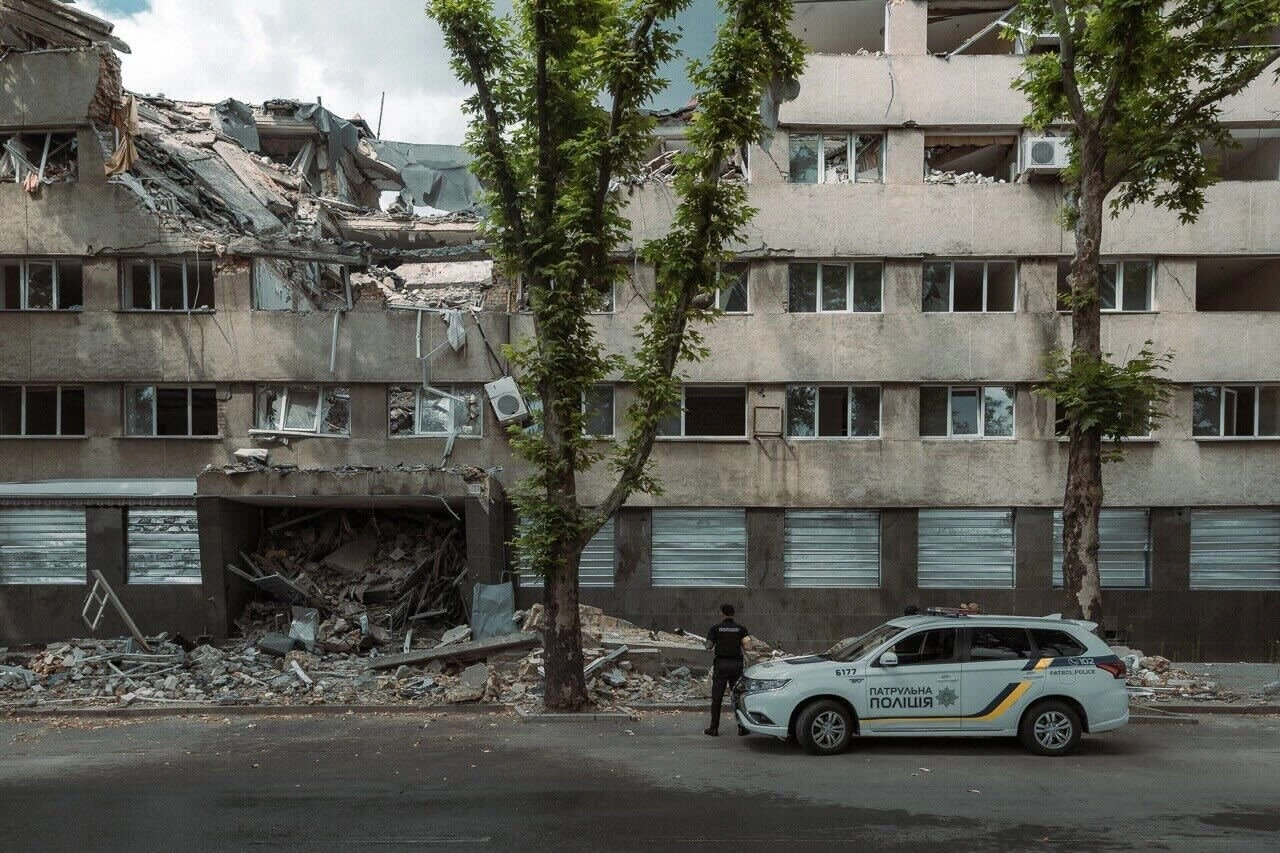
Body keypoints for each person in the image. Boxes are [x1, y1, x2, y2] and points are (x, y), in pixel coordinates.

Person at [705, 603, 750, 737]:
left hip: (721, 666)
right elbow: (748, 646)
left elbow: (708, 646)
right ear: (733, 614)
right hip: (736, 666)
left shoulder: (716, 628)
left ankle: (714, 728)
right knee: (738, 697)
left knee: (717, 698)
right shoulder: (741, 628)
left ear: (722, 613)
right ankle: (742, 728)